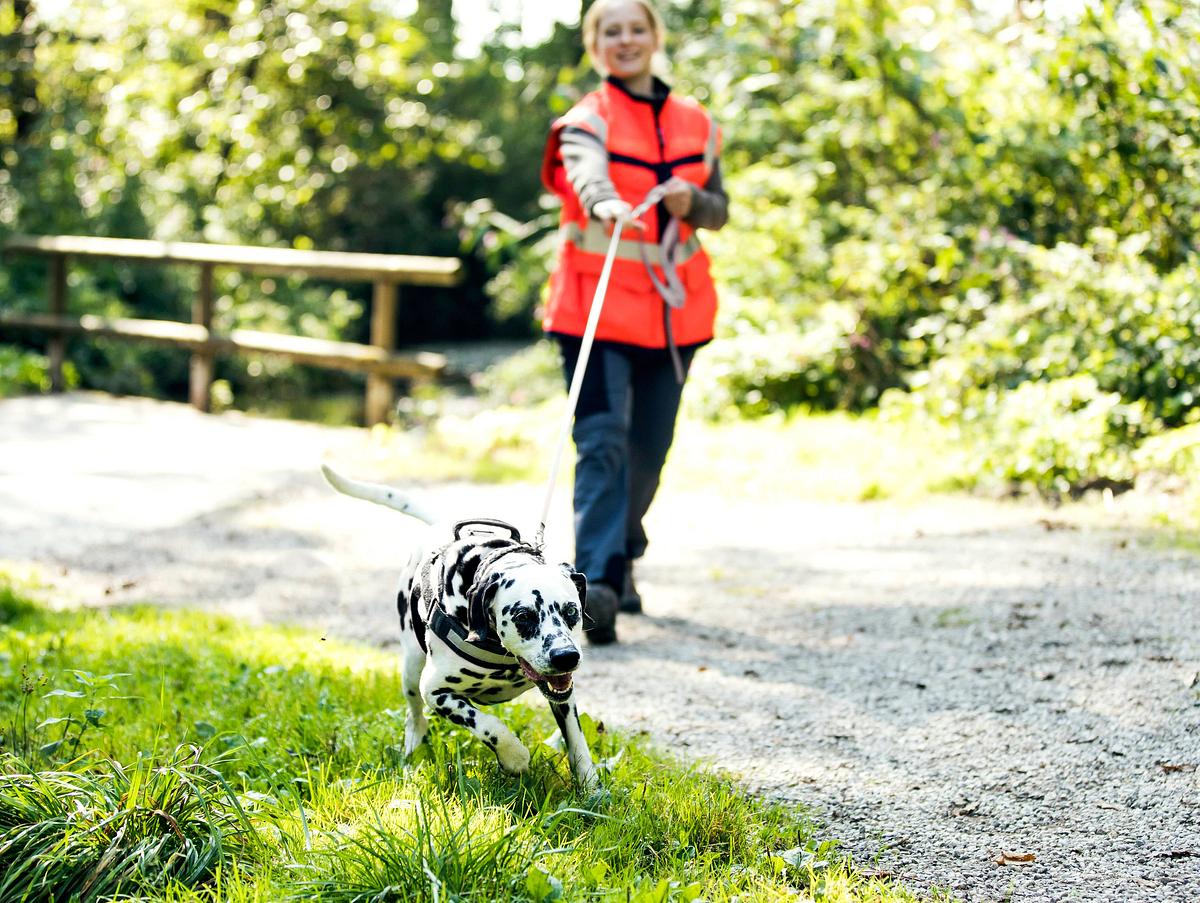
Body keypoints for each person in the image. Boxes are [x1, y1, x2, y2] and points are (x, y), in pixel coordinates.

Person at [540, 0, 728, 644]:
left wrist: (692, 200)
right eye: (610, 31)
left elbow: (719, 209)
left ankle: (622, 555)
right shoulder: (585, 121)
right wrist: (606, 202)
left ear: (655, 37)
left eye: (636, 28)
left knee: (649, 452)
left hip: (673, 317)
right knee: (601, 444)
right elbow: (585, 175)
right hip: (592, 309)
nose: (626, 40)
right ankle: (593, 585)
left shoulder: (695, 123)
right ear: (595, 46)